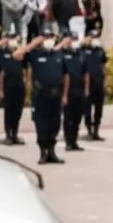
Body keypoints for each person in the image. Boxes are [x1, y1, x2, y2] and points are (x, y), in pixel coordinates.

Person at [15, 30, 68, 165]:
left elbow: (65, 75)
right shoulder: (35, 54)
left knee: (55, 124)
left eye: (51, 37)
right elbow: (16, 55)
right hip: (41, 95)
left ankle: (52, 152)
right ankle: (43, 152)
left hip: (55, 95)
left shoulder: (58, 55)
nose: (49, 40)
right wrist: (32, 44)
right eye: (46, 38)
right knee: (42, 124)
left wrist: (64, 95)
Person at [0, 32, 27, 145]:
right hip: (7, 85)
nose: (12, 40)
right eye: (10, 38)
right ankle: (8, 135)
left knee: (17, 111)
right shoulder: (2, 52)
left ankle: (15, 133)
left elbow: (25, 69)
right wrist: (0, 89)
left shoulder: (20, 52)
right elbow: (0, 71)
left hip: (19, 85)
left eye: (14, 38)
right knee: (9, 111)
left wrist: (26, 83)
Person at [81, 30, 107, 141]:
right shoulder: (83, 50)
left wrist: (105, 82)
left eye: (97, 37)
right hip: (88, 84)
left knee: (98, 109)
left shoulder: (100, 50)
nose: (95, 39)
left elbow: (104, 66)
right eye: (93, 37)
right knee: (87, 110)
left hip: (99, 82)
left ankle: (96, 132)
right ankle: (89, 131)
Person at [63, 35, 87, 152]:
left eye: (75, 40)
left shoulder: (81, 55)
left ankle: (74, 141)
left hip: (79, 90)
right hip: (68, 91)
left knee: (77, 117)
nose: (74, 42)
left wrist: (86, 90)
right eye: (72, 40)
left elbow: (85, 73)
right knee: (68, 118)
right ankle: (68, 141)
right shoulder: (62, 54)